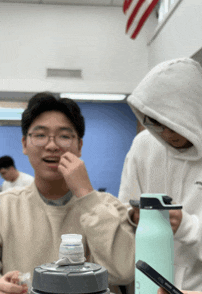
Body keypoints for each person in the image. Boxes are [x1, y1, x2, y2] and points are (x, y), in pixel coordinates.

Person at [0, 92, 135, 294]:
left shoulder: (110, 207)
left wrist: (86, 194)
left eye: (64, 136)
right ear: (24, 144)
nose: (52, 145)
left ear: (79, 146)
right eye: (40, 135)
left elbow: (124, 272)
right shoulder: (5, 207)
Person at [118, 57, 202, 291]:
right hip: (148, 285)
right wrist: (133, 217)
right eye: (156, 124)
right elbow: (123, 208)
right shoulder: (143, 145)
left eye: (175, 125)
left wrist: (187, 226)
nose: (165, 134)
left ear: (191, 115)